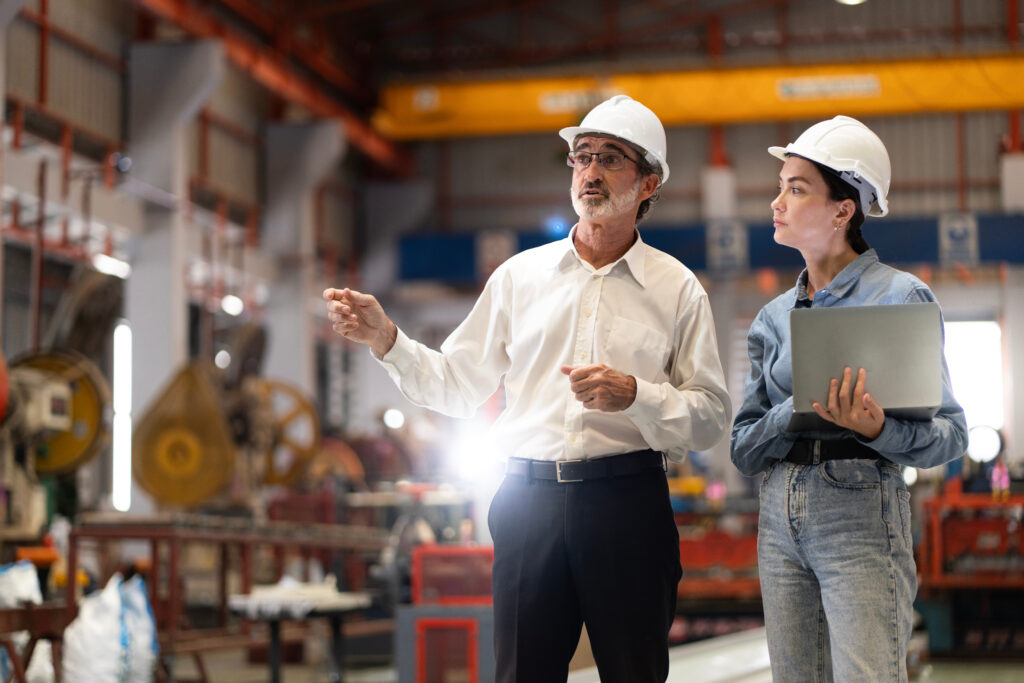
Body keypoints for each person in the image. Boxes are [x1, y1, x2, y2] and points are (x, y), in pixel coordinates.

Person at [324, 94, 731, 682]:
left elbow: (711, 415)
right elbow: (460, 386)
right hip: (527, 503)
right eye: (581, 157)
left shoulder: (677, 289)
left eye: (610, 159)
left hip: (627, 503)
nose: (589, 172)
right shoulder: (520, 278)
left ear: (648, 184)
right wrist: (389, 339)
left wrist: (636, 395)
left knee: (634, 672)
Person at [730, 116, 968, 682]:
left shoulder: (900, 296)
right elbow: (743, 447)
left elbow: (951, 435)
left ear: (844, 209)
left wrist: (875, 428)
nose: (776, 202)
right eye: (779, 186)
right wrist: (797, 408)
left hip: (860, 510)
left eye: (796, 187)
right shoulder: (772, 318)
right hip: (777, 512)